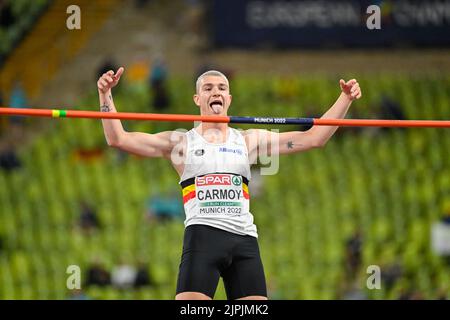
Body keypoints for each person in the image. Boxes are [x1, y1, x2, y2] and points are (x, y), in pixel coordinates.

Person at [97, 67, 362, 300]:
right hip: (203, 238)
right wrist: (105, 95)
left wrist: (345, 98)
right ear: (197, 98)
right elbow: (119, 139)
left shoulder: (249, 140)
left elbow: (314, 138)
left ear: (229, 99)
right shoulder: (181, 143)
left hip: (244, 241)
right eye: (208, 88)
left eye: (222, 88)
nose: (216, 92)